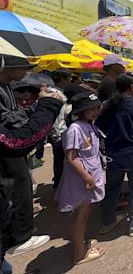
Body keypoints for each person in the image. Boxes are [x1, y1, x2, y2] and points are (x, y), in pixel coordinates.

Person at [0, 55, 63, 268]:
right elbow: (17, 139)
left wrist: (35, 108)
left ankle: (18, 234)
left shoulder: (5, 87)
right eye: (24, 66)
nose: (28, 72)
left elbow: (12, 119)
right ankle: (19, 236)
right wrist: (48, 105)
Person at [95, 73, 133, 237]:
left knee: (112, 188)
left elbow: (99, 128)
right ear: (132, 87)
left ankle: (108, 222)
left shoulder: (107, 105)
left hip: (113, 154)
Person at [54, 92, 105, 265]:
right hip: (83, 176)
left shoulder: (88, 124)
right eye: (90, 109)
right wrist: (87, 177)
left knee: (86, 212)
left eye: (97, 107)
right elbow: (71, 157)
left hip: (90, 172)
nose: (95, 111)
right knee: (81, 215)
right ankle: (79, 253)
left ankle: (81, 243)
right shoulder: (75, 129)